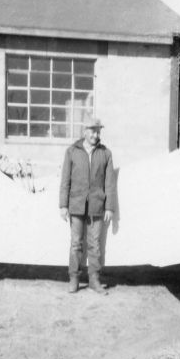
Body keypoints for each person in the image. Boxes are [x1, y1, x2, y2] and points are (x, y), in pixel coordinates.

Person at [59, 120, 117, 294]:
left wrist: (109, 207)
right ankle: (74, 279)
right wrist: (63, 205)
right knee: (76, 243)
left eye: (98, 131)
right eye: (92, 131)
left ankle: (94, 279)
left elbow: (110, 184)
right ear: (84, 131)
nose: (95, 135)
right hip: (76, 204)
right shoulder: (71, 152)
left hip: (96, 206)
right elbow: (65, 180)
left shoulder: (105, 153)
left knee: (94, 244)